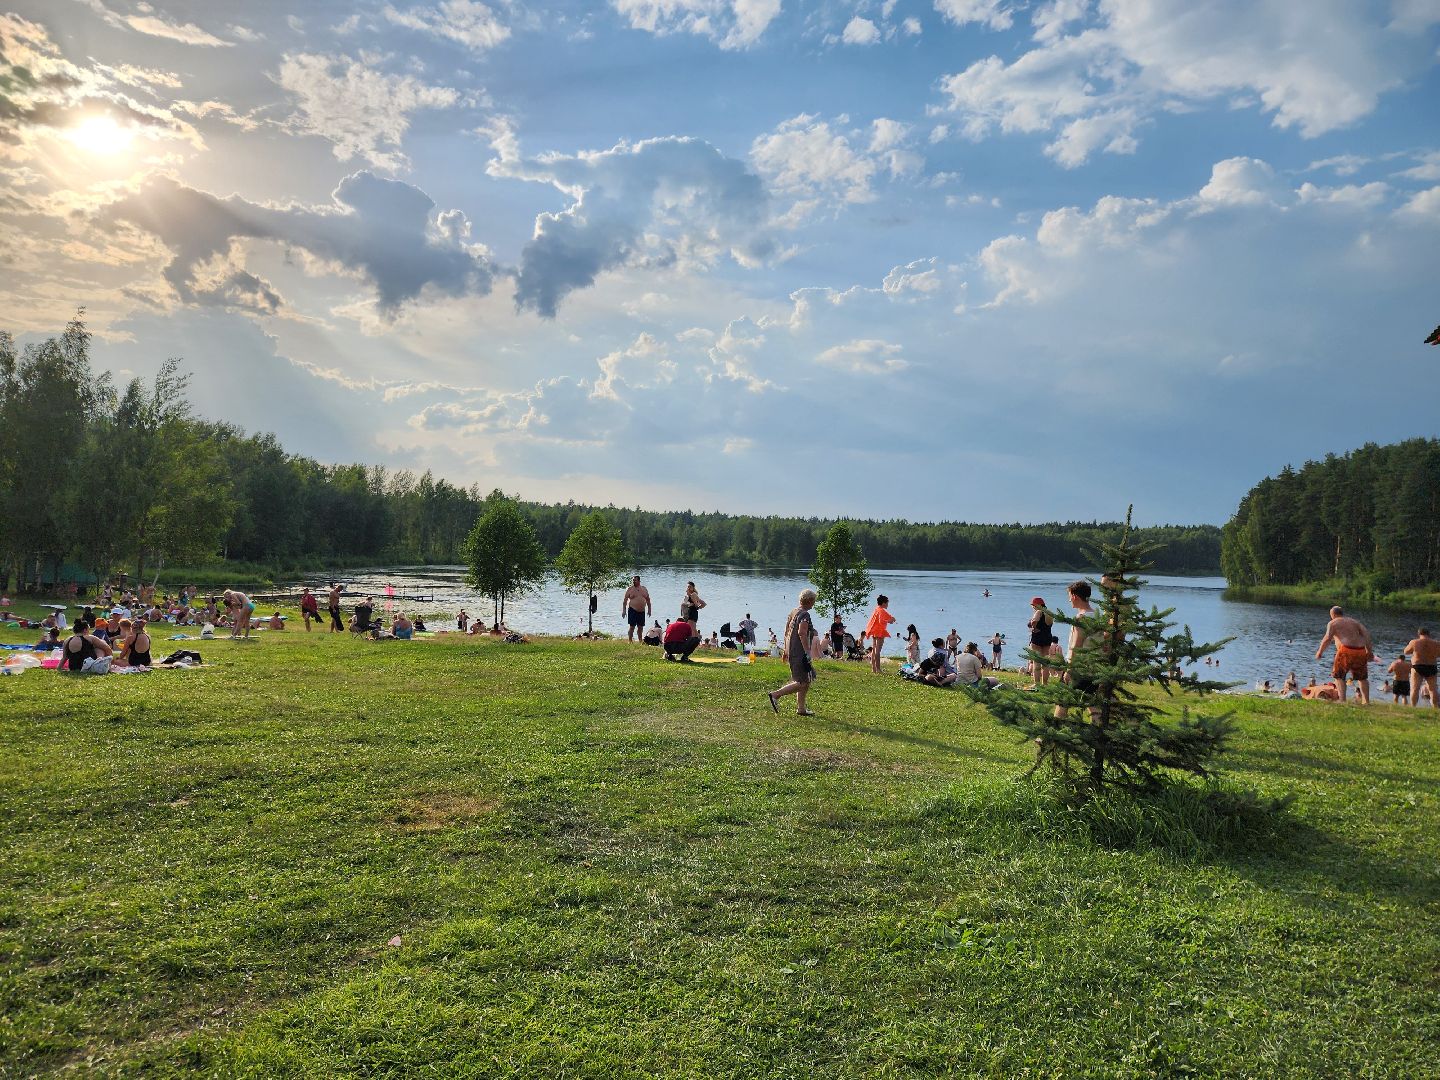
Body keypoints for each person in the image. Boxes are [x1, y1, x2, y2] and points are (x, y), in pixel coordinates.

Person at [767, 588, 819, 716]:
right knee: (802, 682)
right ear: (810, 600)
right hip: (799, 652)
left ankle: (801, 709)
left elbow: (787, 632)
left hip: (791, 649)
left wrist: (785, 649)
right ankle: (776, 695)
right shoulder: (805, 615)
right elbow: (801, 633)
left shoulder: (794, 612)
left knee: (804, 679)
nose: (814, 603)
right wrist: (807, 651)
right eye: (814, 601)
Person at [1314, 605, 1375, 703]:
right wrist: (1369, 652)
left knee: (1339, 676)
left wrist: (1320, 652)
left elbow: (1327, 638)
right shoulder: (1355, 622)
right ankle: (1366, 702)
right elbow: (1366, 635)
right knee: (1362, 678)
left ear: (1332, 614)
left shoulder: (1333, 623)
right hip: (1360, 650)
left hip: (1345, 650)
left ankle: (1342, 700)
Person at [1403, 627, 1440, 707]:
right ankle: (1435, 708)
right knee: (1433, 689)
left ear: (1419, 634)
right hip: (1431, 666)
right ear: (1429, 634)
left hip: (1418, 666)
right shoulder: (1437, 643)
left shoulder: (1414, 642)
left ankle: (1413, 707)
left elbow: (1406, 652)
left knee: (1415, 688)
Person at [1027, 597, 1058, 687]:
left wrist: (1034, 628)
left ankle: (1036, 684)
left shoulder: (1038, 612)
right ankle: (1045, 683)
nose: (1033, 607)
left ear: (1038, 605)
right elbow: (1050, 625)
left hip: (1037, 637)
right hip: (1047, 637)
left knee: (1036, 662)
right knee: (1045, 663)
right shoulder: (1049, 613)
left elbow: (1034, 621)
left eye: (1033, 605)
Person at [863, 594, 896, 674]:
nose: (888, 604)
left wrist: (891, 619)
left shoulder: (877, 609)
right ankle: (878, 669)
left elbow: (885, 617)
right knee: (877, 651)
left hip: (874, 631)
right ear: (884, 603)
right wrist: (889, 621)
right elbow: (882, 621)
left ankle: (873, 668)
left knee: (874, 650)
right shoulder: (881, 610)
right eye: (887, 603)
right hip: (879, 631)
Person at [622, 576, 652, 642]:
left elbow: (648, 600)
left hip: (642, 611)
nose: (633, 582)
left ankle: (640, 641)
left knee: (640, 627)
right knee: (632, 626)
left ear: (639, 581)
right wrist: (624, 611)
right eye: (633, 580)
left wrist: (649, 610)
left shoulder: (644, 589)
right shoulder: (630, 589)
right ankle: (630, 641)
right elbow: (625, 601)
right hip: (632, 610)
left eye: (635, 580)